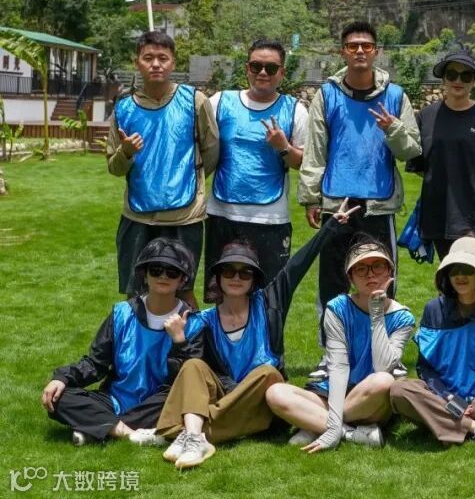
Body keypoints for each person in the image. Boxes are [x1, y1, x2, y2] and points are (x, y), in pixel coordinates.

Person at [152, 204, 357, 468]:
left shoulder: (270, 302)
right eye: (228, 271)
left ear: (253, 279)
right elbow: (181, 380)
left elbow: (298, 264)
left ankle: (190, 431)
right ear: (218, 278)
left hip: (265, 402)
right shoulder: (203, 321)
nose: (236, 277)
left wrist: (330, 226)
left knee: (267, 373)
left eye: (245, 272)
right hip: (229, 399)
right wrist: (179, 340)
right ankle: (194, 436)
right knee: (193, 366)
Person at [298, 21, 420, 307]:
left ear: (377, 51)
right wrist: (311, 198)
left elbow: (410, 151)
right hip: (337, 205)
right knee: (332, 287)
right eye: (353, 46)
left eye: (366, 46)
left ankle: (381, 336)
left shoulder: (395, 96)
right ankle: (332, 337)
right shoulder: (327, 95)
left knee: (381, 286)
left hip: (378, 206)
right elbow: (315, 150)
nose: (360, 51)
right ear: (343, 52)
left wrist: (393, 128)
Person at [265, 235, 416, 452]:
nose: (370, 274)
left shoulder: (403, 317)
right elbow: (338, 366)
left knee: (383, 380)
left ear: (390, 271)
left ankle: (313, 423)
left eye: (378, 266)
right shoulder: (337, 308)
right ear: (351, 278)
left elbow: (383, 366)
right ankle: (349, 433)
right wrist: (335, 427)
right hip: (333, 391)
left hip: (372, 398)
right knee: (275, 393)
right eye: (361, 269)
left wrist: (376, 313)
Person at [41, 240, 198, 447]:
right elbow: (96, 363)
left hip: (158, 403)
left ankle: (99, 426)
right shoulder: (122, 313)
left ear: (183, 279)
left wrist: (179, 341)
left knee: (179, 400)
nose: (163, 276)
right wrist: (63, 378)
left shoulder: (193, 321)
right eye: (155, 270)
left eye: (172, 272)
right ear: (144, 275)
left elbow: (190, 378)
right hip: (114, 399)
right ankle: (129, 434)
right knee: (60, 397)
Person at [108, 30, 219, 307]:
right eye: (148, 58)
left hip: (184, 217)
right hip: (137, 217)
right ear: (137, 62)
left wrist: (188, 180)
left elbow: (212, 150)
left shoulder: (194, 101)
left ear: (173, 62)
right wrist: (126, 152)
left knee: (183, 291)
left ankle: (192, 337)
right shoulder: (123, 109)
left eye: (162, 58)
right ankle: (136, 337)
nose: (155, 64)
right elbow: (114, 167)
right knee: (135, 293)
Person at [388, 237, 475, 448]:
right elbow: (425, 369)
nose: (460, 276)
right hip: (445, 398)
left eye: (467, 270)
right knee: (399, 390)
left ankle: (450, 425)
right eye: (454, 270)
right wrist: (450, 399)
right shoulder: (433, 309)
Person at [205, 38, 307, 298]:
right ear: (246, 69)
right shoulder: (220, 102)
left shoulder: (295, 110)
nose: (263, 72)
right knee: (222, 297)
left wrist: (283, 147)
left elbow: (304, 162)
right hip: (223, 214)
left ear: (282, 72)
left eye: (271, 68)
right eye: (256, 66)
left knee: (269, 299)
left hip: (270, 218)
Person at [406, 48, 475, 259]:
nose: (458, 80)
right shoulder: (426, 117)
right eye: (452, 74)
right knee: (446, 271)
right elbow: (418, 165)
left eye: (466, 75)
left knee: (469, 271)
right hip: (437, 213)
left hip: (474, 215)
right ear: (443, 79)